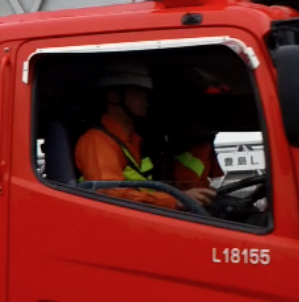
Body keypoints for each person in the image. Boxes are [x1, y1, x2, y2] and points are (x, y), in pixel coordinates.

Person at [73, 63, 217, 211]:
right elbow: (109, 194)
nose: (146, 102)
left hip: (143, 215)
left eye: (146, 96)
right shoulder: (97, 140)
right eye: (138, 94)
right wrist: (175, 200)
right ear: (114, 97)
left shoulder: (136, 140)